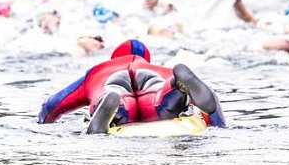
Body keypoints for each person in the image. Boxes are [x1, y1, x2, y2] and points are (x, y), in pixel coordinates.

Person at [38, 39, 226, 133]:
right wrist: (218, 127)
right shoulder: (156, 67)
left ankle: (109, 104)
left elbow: (52, 105)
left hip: (111, 82)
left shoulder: (98, 71)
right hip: (153, 80)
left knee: (110, 94)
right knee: (163, 96)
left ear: (114, 57)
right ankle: (177, 85)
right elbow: (211, 101)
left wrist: (44, 124)